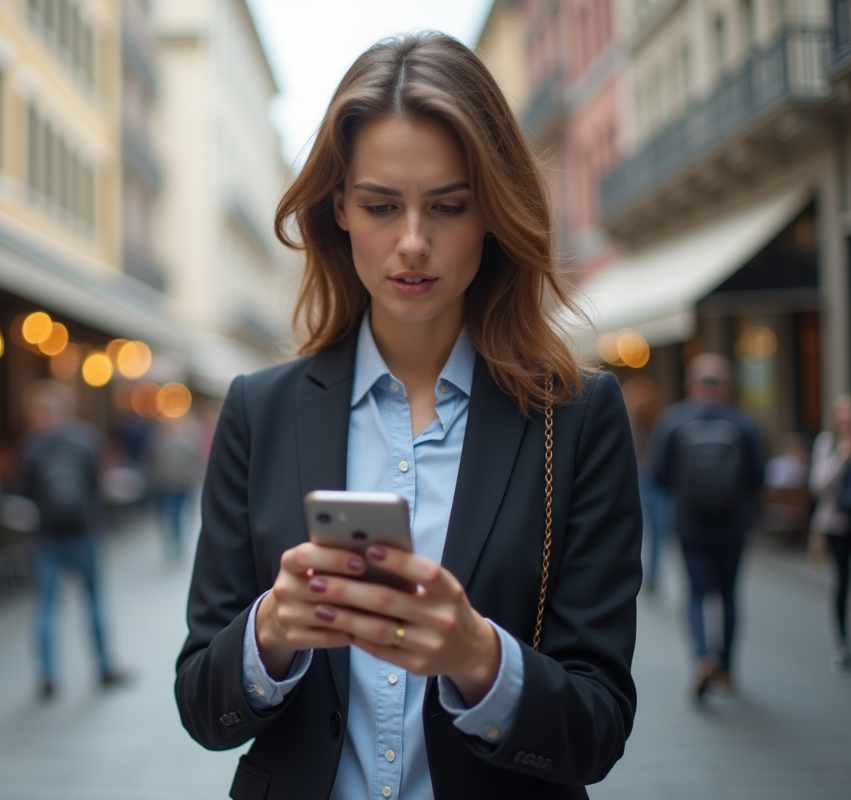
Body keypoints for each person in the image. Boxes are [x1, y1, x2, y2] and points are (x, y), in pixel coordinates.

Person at [175, 34, 642, 799]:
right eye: (382, 206)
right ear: (340, 211)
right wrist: (272, 633)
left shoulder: (578, 418)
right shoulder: (259, 411)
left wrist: (479, 658)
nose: (413, 243)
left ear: (492, 211)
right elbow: (202, 706)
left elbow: (599, 727)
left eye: (449, 206)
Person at [650, 353, 765, 699]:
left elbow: (657, 475)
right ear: (728, 386)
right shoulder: (744, 422)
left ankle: (703, 658)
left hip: (691, 523)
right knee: (729, 595)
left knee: (697, 593)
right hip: (733, 523)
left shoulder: (674, 420)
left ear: (692, 386)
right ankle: (727, 669)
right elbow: (758, 477)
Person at [16, 380, 127, 700]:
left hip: (47, 535)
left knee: (46, 607)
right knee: (94, 600)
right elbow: (97, 484)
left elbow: (24, 489)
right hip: (84, 532)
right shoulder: (87, 438)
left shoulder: (32, 444)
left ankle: (48, 673)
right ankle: (105, 666)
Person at [808, 395, 851, 675]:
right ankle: (842, 645)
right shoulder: (828, 443)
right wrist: (841, 458)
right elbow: (818, 486)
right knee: (842, 582)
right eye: (842, 414)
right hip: (837, 524)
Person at [622, 375, 670, 594]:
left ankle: (642, 575)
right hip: (655, 481)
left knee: (640, 532)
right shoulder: (661, 421)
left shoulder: (631, 421)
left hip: (643, 480)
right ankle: (651, 575)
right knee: (656, 533)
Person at [145, 414, 204, 560]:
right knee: (171, 514)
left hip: (183, 484)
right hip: (166, 485)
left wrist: (194, 478)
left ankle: (179, 539)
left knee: (181, 513)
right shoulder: (159, 441)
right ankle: (175, 539)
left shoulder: (188, 441)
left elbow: (197, 461)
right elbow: (151, 461)